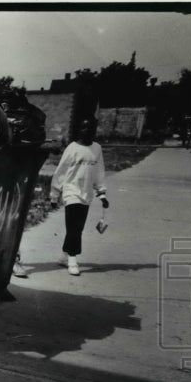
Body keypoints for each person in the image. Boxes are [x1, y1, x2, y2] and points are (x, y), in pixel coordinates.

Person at [49, 118, 109, 276]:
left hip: (86, 193)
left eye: (91, 128)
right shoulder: (72, 148)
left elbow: (99, 172)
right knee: (74, 227)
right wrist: (54, 196)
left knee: (78, 227)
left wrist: (101, 193)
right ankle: (72, 259)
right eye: (84, 128)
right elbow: (60, 172)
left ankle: (63, 255)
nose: (88, 131)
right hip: (71, 191)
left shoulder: (97, 148)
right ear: (79, 130)